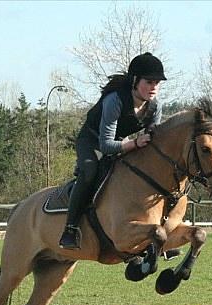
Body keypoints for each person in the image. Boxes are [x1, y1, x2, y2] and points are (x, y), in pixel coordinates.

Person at [59, 52, 167, 250]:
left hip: (122, 142)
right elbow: (107, 145)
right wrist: (134, 144)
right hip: (92, 141)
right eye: (149, 82)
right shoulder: (115, 100)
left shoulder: (155, 107)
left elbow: (152, 141)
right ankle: (70, 229)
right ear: (135, 80)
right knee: (90, 171)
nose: (154, 88)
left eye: (157, 83)